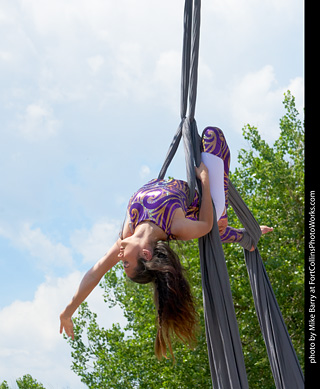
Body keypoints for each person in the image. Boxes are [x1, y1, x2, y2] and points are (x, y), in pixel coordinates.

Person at [60, 127, 273, 359]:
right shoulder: (176, 228)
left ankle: (243, 236)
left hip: (192, 206)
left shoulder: (128, 230)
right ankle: (238, 233)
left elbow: (95, 272)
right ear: (146, 254)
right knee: (212, 136)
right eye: (126, 263)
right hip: (209, 205)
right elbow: (205, 225)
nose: (119, 257)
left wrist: (68, 311)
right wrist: (204, 181)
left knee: (215, 225)